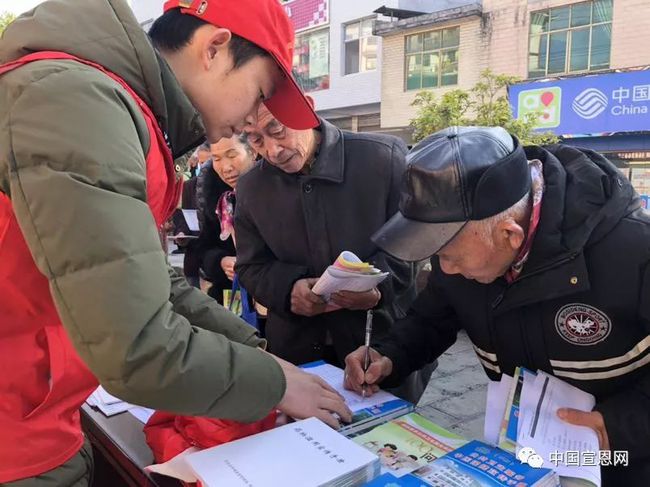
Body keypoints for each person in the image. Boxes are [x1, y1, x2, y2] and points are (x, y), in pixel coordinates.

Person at [0, 0, 350, 485]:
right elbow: (136, 346)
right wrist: (274, 384)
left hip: (38, 411)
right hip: (15, 437)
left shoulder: (112, 102)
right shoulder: (76, 100)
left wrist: (255, 351)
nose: (253, 122)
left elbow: (142, 277)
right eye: (259, 93)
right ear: (214, 49)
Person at [344, 126, 650, 485]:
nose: (445, 269)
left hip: (621, 456)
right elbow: (430, 320)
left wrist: (621, 426)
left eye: (450, 257)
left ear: (510, 234)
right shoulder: (465, 250)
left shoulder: (634, 252)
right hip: (522, 456)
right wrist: (387, 355)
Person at [235, 104, 422, 378]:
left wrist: (379, 289)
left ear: (306, 108)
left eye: (277, 130)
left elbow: (413, 242)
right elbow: (250, 266)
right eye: (256, 139)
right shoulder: (252, 186)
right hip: (296, 348)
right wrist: (288, 289)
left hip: (379, 343)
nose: (273, 151)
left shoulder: (384, 157)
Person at [195, 134, 257, 303]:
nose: (226, 167)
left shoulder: (274, 190)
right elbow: (203, 248)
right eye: (216, 159)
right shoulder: (214, 194)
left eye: (232, 155)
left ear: (253, 152)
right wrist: (221, 261)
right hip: (232, 298)